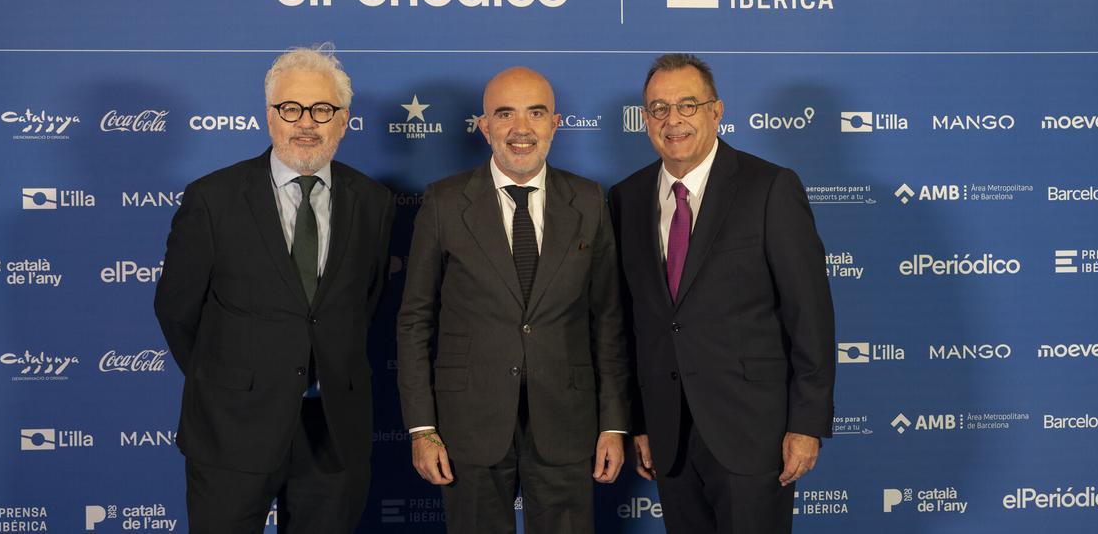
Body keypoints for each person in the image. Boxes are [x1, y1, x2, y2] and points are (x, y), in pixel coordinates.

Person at [154, 47, 395, 533]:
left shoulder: (374, 201)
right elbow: (177, 311)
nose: (305, 123)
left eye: (322, 110)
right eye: (290, 109)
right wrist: (232, 381)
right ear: (269, 116)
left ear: (343, 121)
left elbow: (364, 304)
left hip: (333, 432)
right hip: (232, 427)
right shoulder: (213, 199)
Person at [608, 53, 836, 534]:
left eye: (688, 105)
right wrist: (641, 421)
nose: (673, 120)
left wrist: (806, 423)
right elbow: (631, 321)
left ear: (717, 111)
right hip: (669, 435)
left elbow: (810, 315)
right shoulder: (626, 198)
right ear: (645, 119)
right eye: (659, 108)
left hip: (754, 433)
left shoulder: (770, 188)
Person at [397, 66, 630, 534]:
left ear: (555, 124)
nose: (521, 129)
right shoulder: (444, 203)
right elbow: (415, 321)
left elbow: (608, 320)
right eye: (505, 114)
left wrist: (614, 424)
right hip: (469, 426)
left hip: (568, 422)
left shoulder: (588, 201)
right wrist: (422, 428)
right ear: (484, 127)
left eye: (535, 113)